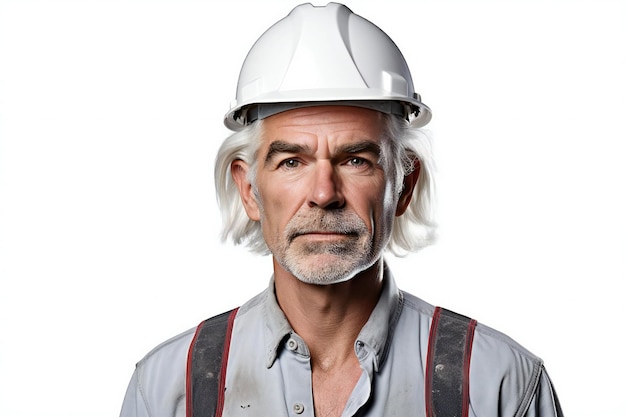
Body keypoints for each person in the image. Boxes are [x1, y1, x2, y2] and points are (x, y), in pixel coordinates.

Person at [119, 3, 563, 417]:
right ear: (249, 189)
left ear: (405, 184)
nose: (324, 193)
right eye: (292, 161)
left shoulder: (499, 384)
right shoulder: (166, 390)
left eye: (356, 160)